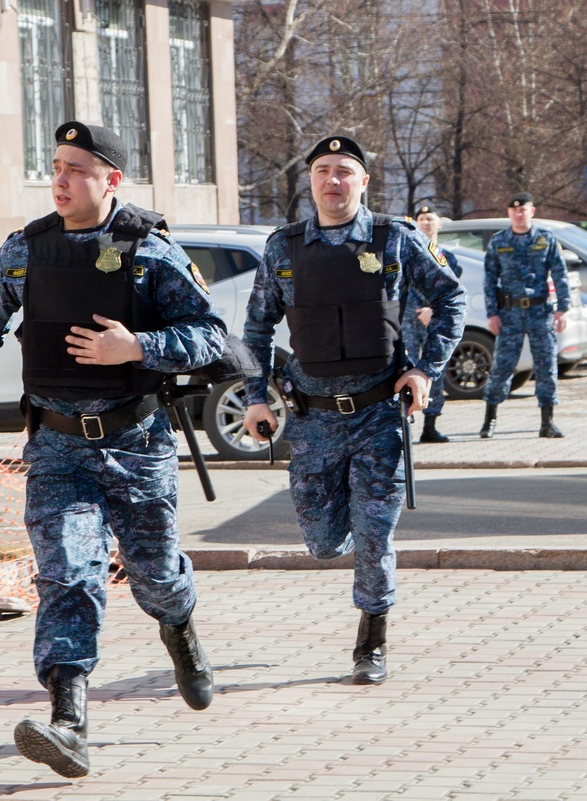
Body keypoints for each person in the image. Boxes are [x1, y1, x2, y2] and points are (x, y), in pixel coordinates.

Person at [0, 121, 225, 778]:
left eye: (76, 168)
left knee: (153, 575)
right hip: (58, 446)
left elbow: (210, 336)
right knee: (67, 572)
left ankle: (181, 630)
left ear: (111, 179)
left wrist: (138, 347)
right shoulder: (27, 250)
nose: (60, 180)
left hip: (137, 442)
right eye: (55, 166)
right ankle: (69, 720)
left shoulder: (150, 250)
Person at [242, 135, 465, 685]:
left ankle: (372, 638)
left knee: (374, 533)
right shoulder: (283, 248)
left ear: (364, 181)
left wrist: (424, 370)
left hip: (377, 415)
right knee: (321, 542)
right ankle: (341, 543)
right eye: (322, 170)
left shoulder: (396, 239)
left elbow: (452, 299)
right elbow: (254, 328)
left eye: (345, 170)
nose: (333, 180)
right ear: (310, 180)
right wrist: (254, 395)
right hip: (313, 418)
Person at [478, 192, 569, 440]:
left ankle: (547, 422)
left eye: (523, 209)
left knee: (547, 365)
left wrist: (563, 309)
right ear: (509, 213)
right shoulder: (499, 241)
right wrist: (492, 313)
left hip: (540, 311)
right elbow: (489, 280)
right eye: (514, 210)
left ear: (532, 211)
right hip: (510, 313)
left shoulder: (545, 238)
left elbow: (560, 274)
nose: (519, 214)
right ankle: (490, 419)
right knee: (502, 366)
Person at [403, 203, 463, 443]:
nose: (426, 223)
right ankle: (403, 423)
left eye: (430, 218)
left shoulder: (448, 257)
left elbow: (452, 291)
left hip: (433, 320)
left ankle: (431, 424)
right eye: (422, 218)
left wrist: (432, 310)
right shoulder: (406, 251)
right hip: (407, 318)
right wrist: (419, 308)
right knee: (405, 367)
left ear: (440, 223)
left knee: (433, 368)